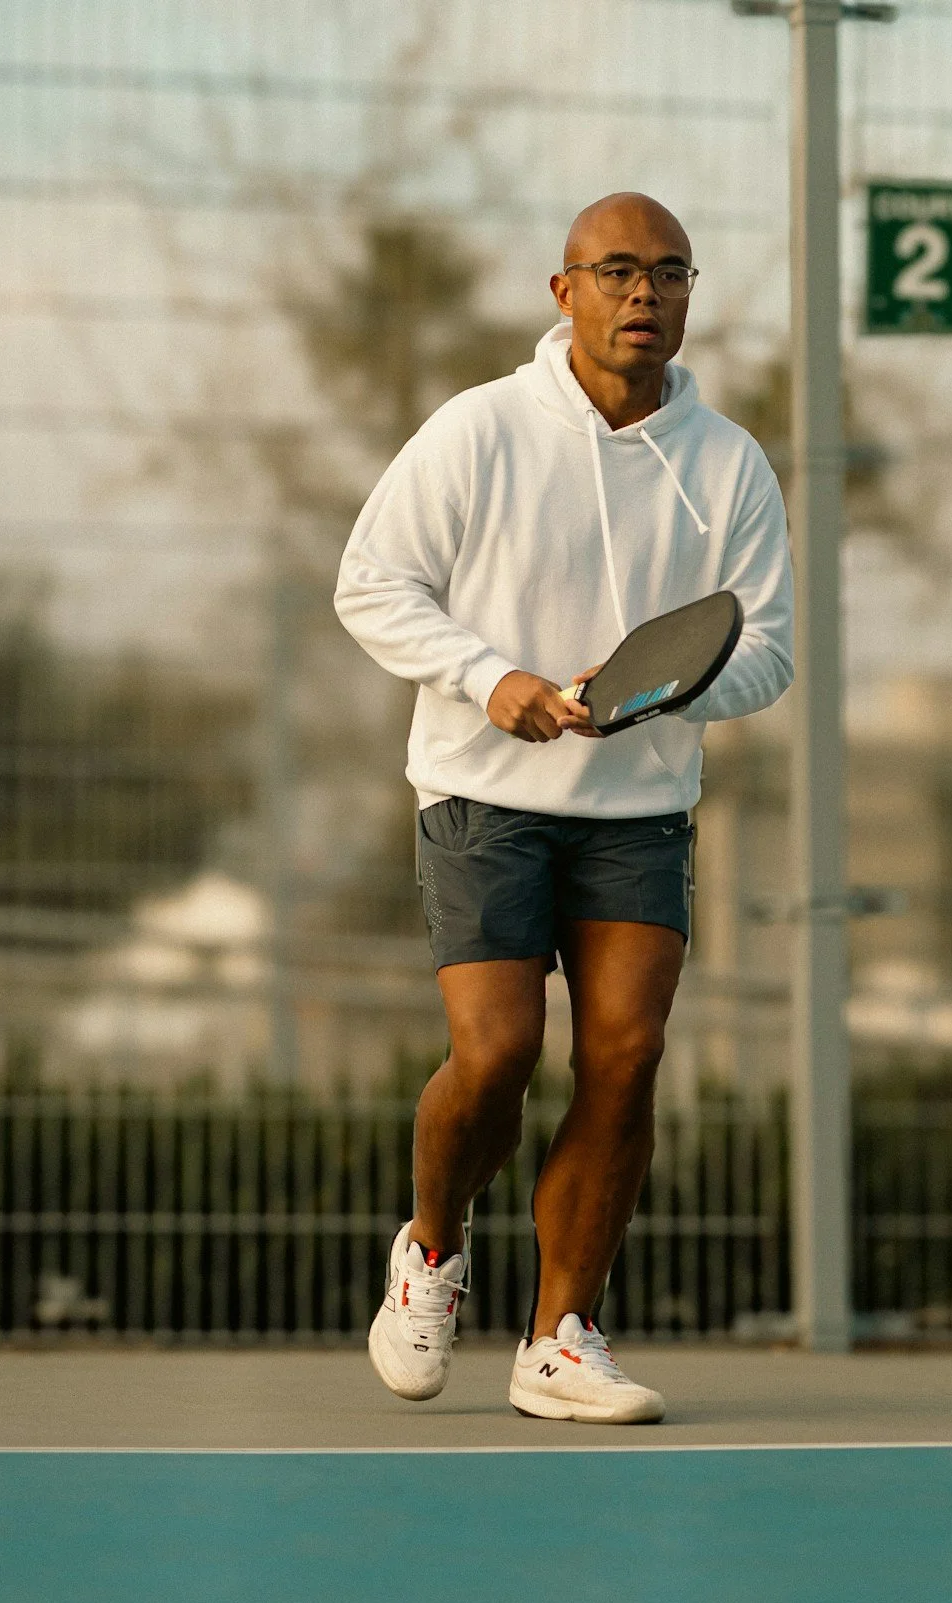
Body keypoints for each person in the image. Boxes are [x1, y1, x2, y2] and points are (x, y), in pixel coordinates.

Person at [334, 192, 795, 1422]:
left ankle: (560, 1335)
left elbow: (768, 652)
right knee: (495, 1055)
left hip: (638, 809)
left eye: (670, 274)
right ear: (565, 291)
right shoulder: (478, 430)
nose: (644, 294)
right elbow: (371, 584)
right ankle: (431, 1247)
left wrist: (648, 700)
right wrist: (495, 682)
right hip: (485, 798)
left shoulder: (730, 463)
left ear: (690, 296)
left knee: (627, 1056)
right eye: (617, 271)